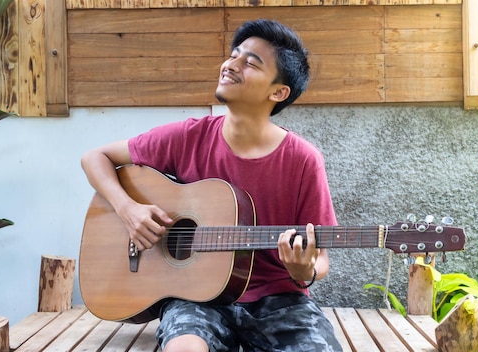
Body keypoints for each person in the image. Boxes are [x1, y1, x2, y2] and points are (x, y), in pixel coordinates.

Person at [81, 19, 343, 352]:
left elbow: (320, 259)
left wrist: (303, 270)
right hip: (195, 298)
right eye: (234, 54)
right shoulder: (189, 136)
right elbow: (95, 157)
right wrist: (128, 209)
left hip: (279, 299)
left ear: (277, 92)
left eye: (250, 62)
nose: (231, 64)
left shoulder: (303, 159)